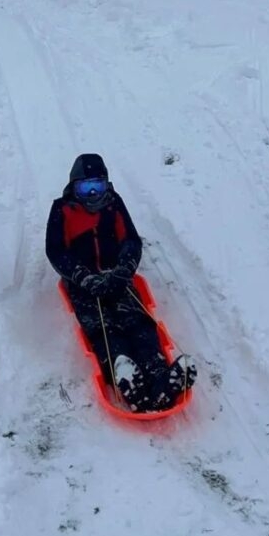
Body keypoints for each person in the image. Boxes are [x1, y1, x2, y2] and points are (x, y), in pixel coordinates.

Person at [46, 153, 196, 412]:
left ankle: (160, 376)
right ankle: (125, 378)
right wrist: (83, 276)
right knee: (104, 327)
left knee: (138, 320)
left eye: (98, 185)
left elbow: (130, 240)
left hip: (116, 276)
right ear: (74, 186)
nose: (93, 193)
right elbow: (56, 250)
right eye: (86, 187)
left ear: (107, 184)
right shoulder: (62, 209)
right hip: (83, 284)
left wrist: (125, 268)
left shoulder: (113, 204)